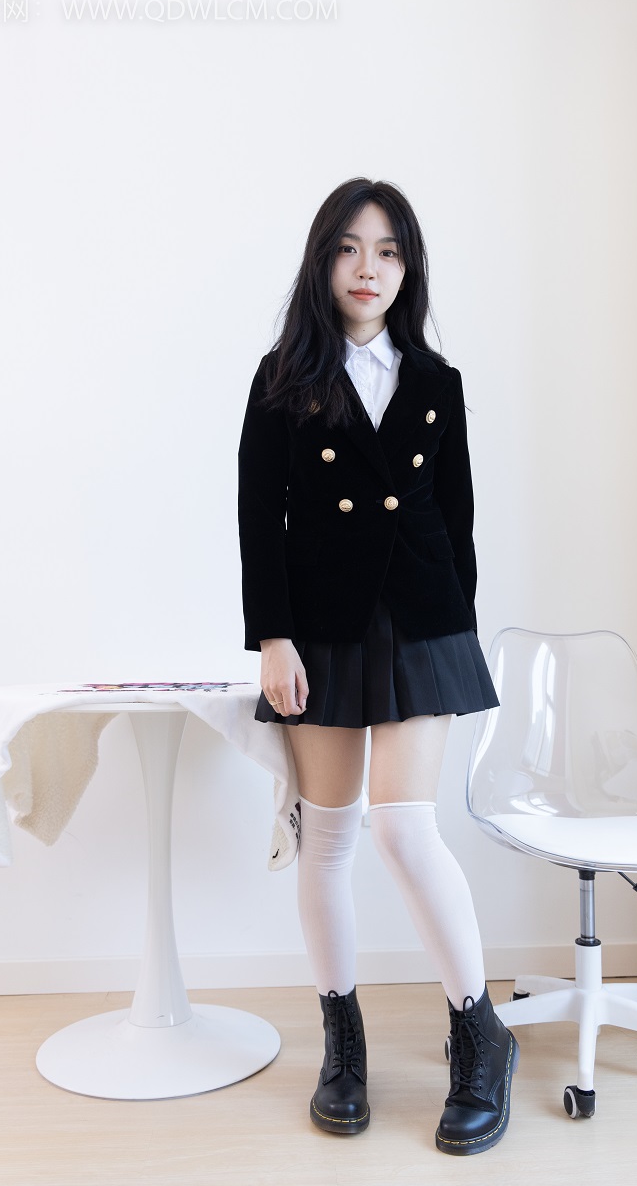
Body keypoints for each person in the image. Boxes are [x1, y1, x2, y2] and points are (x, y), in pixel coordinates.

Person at [237, 177, 518, 1156]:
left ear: (409, 268)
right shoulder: (282, 375)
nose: (369, 267)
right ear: (323, 262)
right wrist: (272, 637)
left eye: (389, 250)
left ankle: (477, 1030)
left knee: (402, 826)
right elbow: (258, 517)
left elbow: (458, 514)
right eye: (350, 248)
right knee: (328, 838)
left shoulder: (436, 380)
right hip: (318, 628)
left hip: (420, 619)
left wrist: (453, 630)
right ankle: (343, 1043)